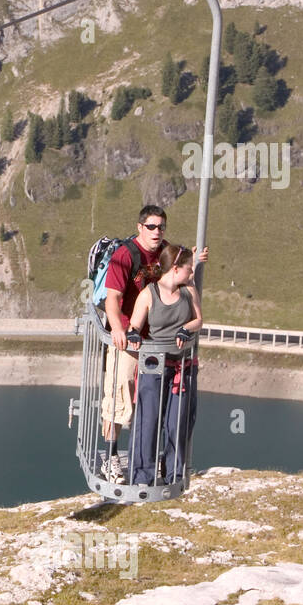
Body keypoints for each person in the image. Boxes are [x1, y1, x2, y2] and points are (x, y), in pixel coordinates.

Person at [99, 205, 206, 481]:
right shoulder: (124, 256)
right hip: (130, 335)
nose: (157, 232)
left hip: (157, 338)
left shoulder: (165, 251)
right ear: (140, 227)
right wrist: (119, 328)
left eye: (161, 227)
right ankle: (110, 456)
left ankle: (158, 462)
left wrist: (194, 258)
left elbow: (177, 266)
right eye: (151, 227)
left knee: (153, 403)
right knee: (121, 391)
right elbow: (113, 298)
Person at [126, 243, 202, 486]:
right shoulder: (149, 293)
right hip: (154, 366)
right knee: (148, 421)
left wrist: (185, 328)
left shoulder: (189, 291)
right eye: (189, 269)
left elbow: (199, 320)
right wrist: (134, 335)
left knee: (176, 424)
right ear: (176, 268)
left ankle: (174, 477)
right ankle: (142, 477)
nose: (192, 273)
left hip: (183, 366)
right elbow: (135, 326)